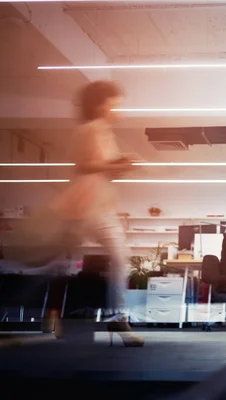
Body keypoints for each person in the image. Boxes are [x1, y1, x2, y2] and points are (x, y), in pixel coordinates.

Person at [43, 80, 144, 347]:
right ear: (101, 104)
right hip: (83, 206)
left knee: (121, 258)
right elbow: (84, 165)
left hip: (102, 207)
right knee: (59, 262)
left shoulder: (106, 133)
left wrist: (121, 166)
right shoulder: (87, 130)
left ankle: (118, 316)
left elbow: (102, 171)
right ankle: (51, 313)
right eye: (115, 102)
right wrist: (114, 163)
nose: (119, 107)